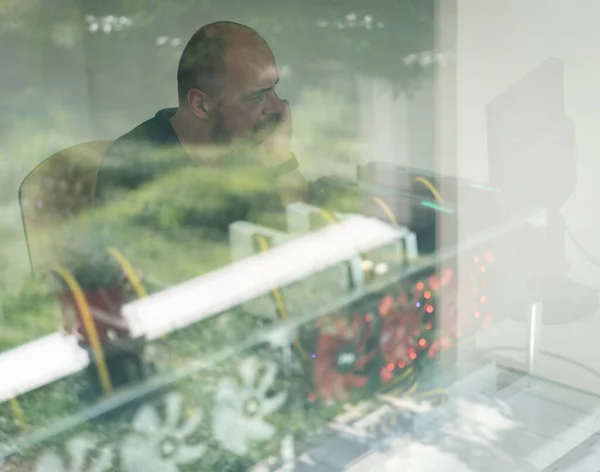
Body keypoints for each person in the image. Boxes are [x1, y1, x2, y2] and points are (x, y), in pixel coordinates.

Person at [94, 21, 308, 210]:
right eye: (256, 96)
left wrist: (281, 159)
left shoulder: (246, 148)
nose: (278, 106)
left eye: (273, 89)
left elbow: (302, 230)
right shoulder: (134, 169)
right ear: (201, 105)